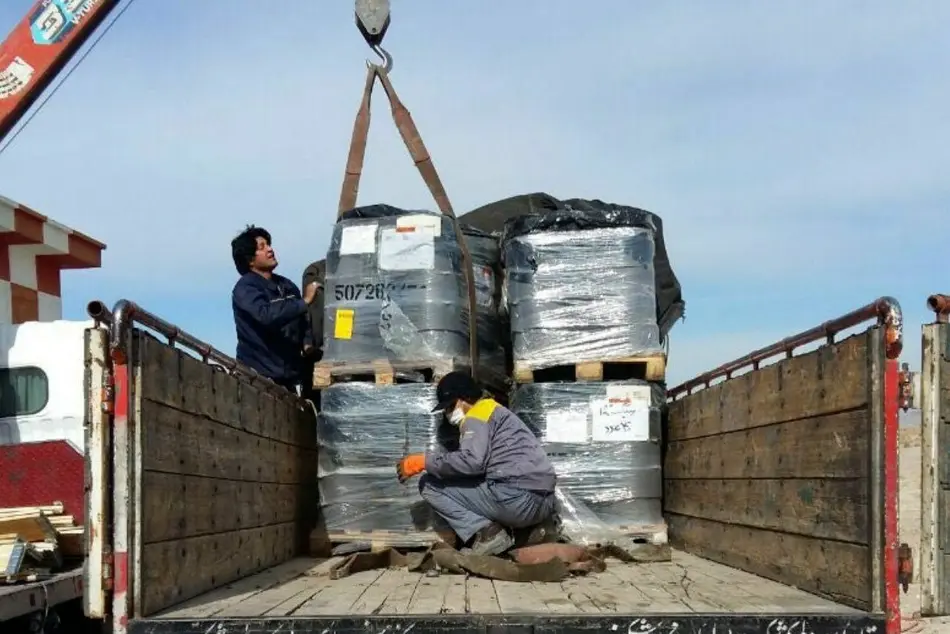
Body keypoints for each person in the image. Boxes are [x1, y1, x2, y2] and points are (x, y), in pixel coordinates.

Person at [395, 371, 558, 556]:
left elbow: (472, 462)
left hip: (517, 500)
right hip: (544, 503)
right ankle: (528, 532)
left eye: (450, 406)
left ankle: (489, 535)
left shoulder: (475, 417)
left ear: (465, 398)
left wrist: (424, 461)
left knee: (429, 484)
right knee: (487, 478)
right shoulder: (496, 411)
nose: (448, 414)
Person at [230, 225, 320, 393]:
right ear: (250, 259)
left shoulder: (287, 286)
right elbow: (266, 315)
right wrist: (305, 301)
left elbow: (303, 318)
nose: (270, 250)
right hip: (256, 380)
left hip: (287, 380)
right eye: (261, 247)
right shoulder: (245, 289)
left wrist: (307, 343)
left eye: (269, 245)